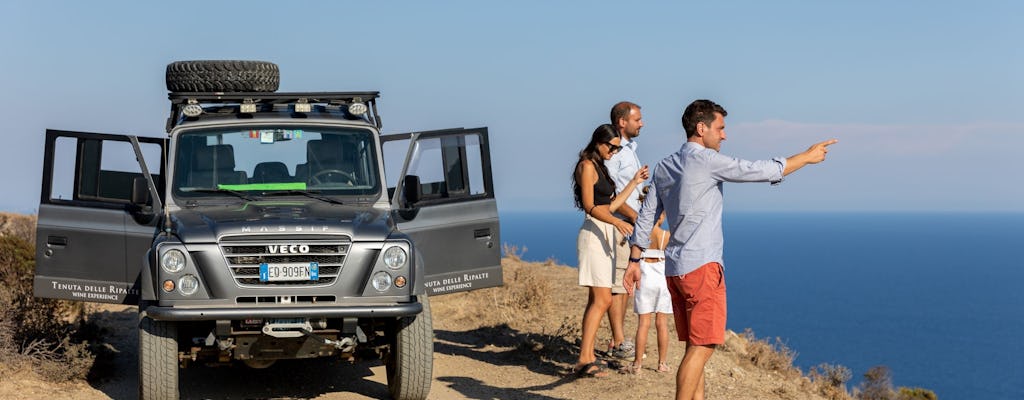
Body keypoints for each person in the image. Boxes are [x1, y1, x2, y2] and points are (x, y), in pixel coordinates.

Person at [623, 99, 837, 399]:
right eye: (720, 128)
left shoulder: (665, 165)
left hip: (674, 268)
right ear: (702, 128)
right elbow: (756, 170)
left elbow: (646, 215)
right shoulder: (706, 161)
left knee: (693, 346)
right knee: (702, 349)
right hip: (702, 268)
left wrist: (635, 259)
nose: (724, 135)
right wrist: (807, 157)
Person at [572, 124, 649, 377]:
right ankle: (585, 358)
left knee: (598, 300)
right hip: (594, 233)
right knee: (603, 299)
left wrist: (634, 182)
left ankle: (587, 356)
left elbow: (612, 203)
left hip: (605, 233)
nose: (614, 151)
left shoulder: (602, 167)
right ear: (598, 141)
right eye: (611, 146)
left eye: (618, 148)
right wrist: (616, 221)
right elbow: (589, 205)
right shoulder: (587, 166)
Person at [603, 101, 645, 359]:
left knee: (624, 283)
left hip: (629, 224)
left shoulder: (630, 149)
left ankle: (616, 340)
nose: (642, 123)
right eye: (637, 119)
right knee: (618, 284)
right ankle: (618, 342)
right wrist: (637, 217)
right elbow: (610, 190)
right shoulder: (616, 150)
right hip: (619, 223)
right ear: (622, 122)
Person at [621, 191, 673, 376]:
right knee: (662, 323)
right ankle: (662, 363)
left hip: (644, 280)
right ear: (663, 214)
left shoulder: (639, 233)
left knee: (643, 323)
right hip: (662, 282)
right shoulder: (666, 236)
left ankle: (637, 364)